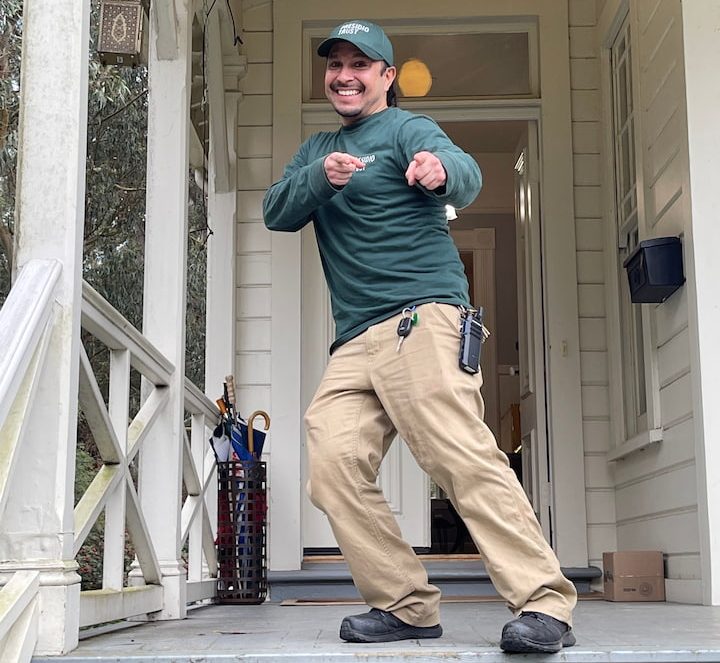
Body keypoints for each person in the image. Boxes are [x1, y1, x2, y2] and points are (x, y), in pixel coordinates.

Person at [262, 19, 577, 654]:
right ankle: (404, 604)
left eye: (360, 64)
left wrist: (440, 170)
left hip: (422, 317)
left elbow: (465, 172)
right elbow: (278, 210)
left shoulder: (407, 130)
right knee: (332, 464)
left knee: (460, 457)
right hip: (354, 338)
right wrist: (323, 175)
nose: (344, 75)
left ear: (386, 77)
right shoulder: (318, 148)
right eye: (335, 65)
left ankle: (545, 603)